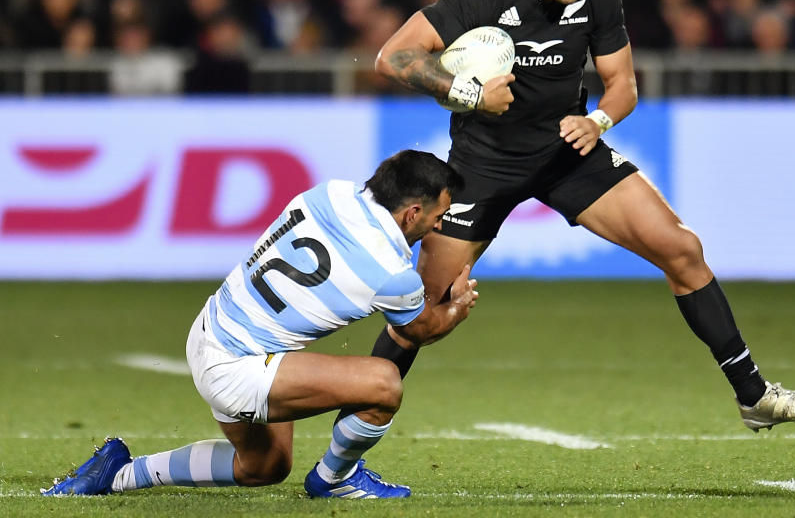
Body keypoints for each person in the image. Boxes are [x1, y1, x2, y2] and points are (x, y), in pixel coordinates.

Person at [373, 0, 795, 433]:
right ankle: (344, 451)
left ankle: (754, 396)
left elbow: (622, 87)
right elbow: (392, 57)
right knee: (424, 307)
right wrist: (470, 95)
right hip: (483, 164)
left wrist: (598, 123)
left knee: (682, 249)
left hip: (569, 152)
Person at [43, 150, 478, 500]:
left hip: (211, 330)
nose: (440, 225)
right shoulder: (391, 271)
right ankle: (335, 480)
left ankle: (118, 474)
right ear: (411, 212)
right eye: (437, 216)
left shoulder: (329, 194)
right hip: (239, 367)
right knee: (384, 383)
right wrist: (457, 306)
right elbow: (417, 330)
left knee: (264, 467)